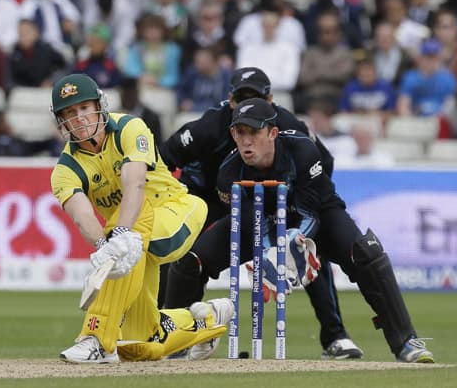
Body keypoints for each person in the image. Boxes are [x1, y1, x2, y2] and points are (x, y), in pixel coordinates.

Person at [200, 97, 434, 363]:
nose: (247, 141)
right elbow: (247, 222)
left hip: (320, 215)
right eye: (240, 133)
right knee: (191, 260)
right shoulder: (228, 173)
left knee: (367, 253)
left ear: (272, 133)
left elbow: (310, 212)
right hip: (264, 221)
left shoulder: (302, 150)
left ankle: (405, 342)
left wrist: (294, 240)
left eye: (253, 132)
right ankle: (176, 341)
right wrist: (267, 251)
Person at [160, 67, 364, 360]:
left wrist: (304, 198)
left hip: (266, 199)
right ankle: (173, 335)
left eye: (255, 98)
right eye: (241, 98)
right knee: (179, 253)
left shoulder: (286, 123)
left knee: (303, 254)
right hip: (206, 201)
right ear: (229, 100)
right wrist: (169, 200)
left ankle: (335, 336)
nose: (246, 106)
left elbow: (323, 163)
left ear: (270, 101)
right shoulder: (209, 126)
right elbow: (162, 158)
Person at [49, 73, 234, 363]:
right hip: (133, 245)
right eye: (70, 113)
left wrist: (119, 234)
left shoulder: (129, 127)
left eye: (84, 108)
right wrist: (104, 247)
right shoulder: (65, 169)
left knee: (129, 225)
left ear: (99, 105)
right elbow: (81, 213)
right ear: (62, 122)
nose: (80, 118)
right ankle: (206, 320)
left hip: (177, 212)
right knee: (141, 344)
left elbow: (134, 184)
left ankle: (96, 337)